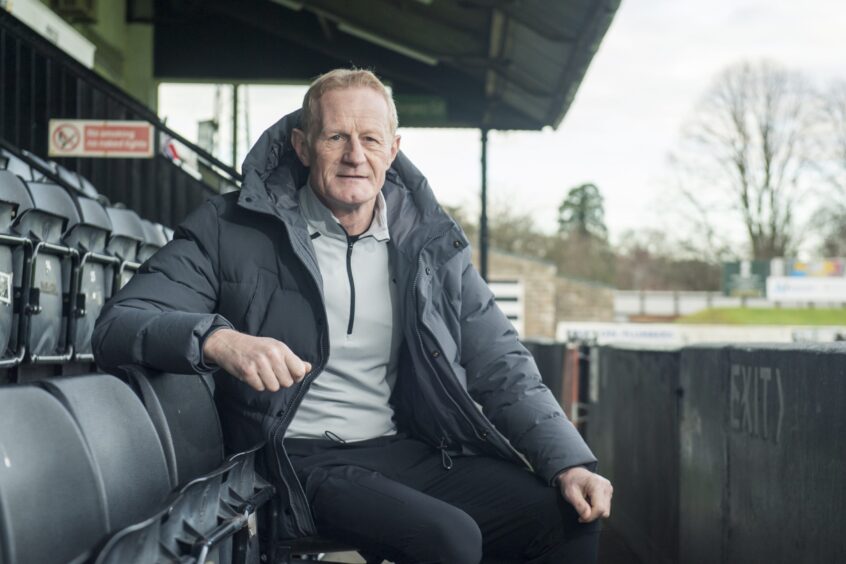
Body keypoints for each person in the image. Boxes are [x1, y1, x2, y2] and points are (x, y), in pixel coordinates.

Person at [92, 68, 612, 563]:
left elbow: (502, 364)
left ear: (394, 149)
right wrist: (218, 339)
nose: (354, 156)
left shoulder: (431, 245)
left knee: (563, 517)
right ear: (302, 145)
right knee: (451, 539)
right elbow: (119, 324)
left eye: (370, 139)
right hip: (294, 460)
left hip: (403, 448)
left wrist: (567, 461)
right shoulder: (229, 227)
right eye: (335, 137)